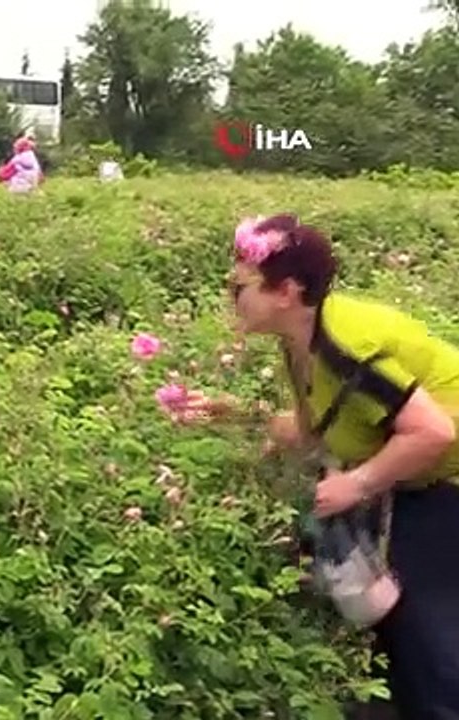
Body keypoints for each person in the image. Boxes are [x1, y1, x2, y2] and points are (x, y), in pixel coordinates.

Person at [176, 214, 459, 715]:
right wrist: (232, 415)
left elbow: (434, 432)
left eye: (238, 285)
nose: (230, 296)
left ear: (285, 291)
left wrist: (358, 483)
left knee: (424, 631)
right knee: (392, 625)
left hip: (444, 479)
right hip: (415, 476)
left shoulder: (345, 347)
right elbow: (313, 431)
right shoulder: (302, 341)